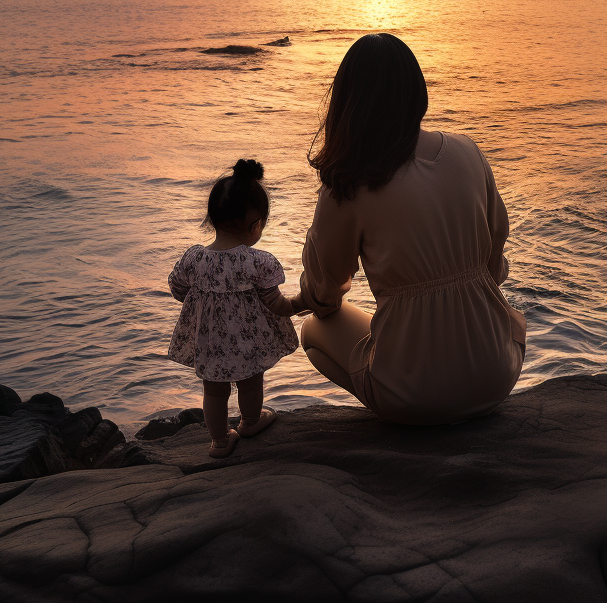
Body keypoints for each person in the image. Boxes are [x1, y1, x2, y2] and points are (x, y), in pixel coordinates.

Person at [299, 33, 526, 425]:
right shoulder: (468, 151)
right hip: (496, 374)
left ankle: (399, 411)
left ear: (348, 102)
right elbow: (495, 266)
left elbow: (325, 295)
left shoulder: (348, 184)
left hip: (415, 396)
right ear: (416, 90)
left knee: (313, 328)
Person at [167, 158, 304, 458]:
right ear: (256, 225)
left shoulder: (195, 258)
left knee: (214, 391)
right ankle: (250, 422)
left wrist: (198, 302)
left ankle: (218, 442)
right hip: (248, 343)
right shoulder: (257, 262)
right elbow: (275, 303)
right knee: (251, 382)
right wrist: (302, 303)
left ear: (211, 218)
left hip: (210, 342)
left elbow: (177, 288)